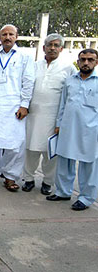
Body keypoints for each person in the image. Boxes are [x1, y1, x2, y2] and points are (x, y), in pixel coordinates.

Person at [22, 34, 76, 195]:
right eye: (49, 45)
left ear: (61, 48)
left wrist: (63, 120)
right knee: (30, 149)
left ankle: (47, 182)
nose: (52, 48)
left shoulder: (68, 68)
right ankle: (28, 179)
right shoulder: (34, 65)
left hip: (54, 117)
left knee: (50, 151)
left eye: (56, 45)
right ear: (44, 47)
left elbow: (70, 95)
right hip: (33, 114)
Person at [0, 24, 35, 191]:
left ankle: (11, 177)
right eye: (4, 34)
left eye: (11, 34)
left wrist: (24, 105)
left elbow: (28, 81)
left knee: (15, 144)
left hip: (15, 106)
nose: (7, 37)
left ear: (16, 37)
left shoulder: (25, 57)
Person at [47, 48, 98, 211]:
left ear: (96, 62)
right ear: (78, 61)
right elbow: (63, 104)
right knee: (65, 160)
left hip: (91, 130)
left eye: (90, 60)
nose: (86, 63)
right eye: (83, 59)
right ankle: (63, 191)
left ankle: (85, 197)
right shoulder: (70, 81)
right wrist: (58, 124)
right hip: (68, 127)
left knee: (88, 164)